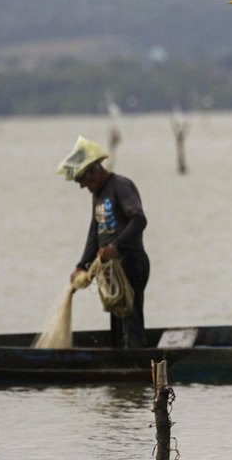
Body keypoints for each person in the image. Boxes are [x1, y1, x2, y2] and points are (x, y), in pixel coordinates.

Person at [56, 135, 150, 348]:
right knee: (116, 315)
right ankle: (118, 358)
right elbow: (94, 232)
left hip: (131, 261)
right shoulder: (97, 194)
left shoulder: (121, 186)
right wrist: (82, 265)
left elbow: (139, 220)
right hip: (109, 267)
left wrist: (115, 246)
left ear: (94, 171)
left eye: (83, 180)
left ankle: (136, 360)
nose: (82, 186)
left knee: (131, 313)